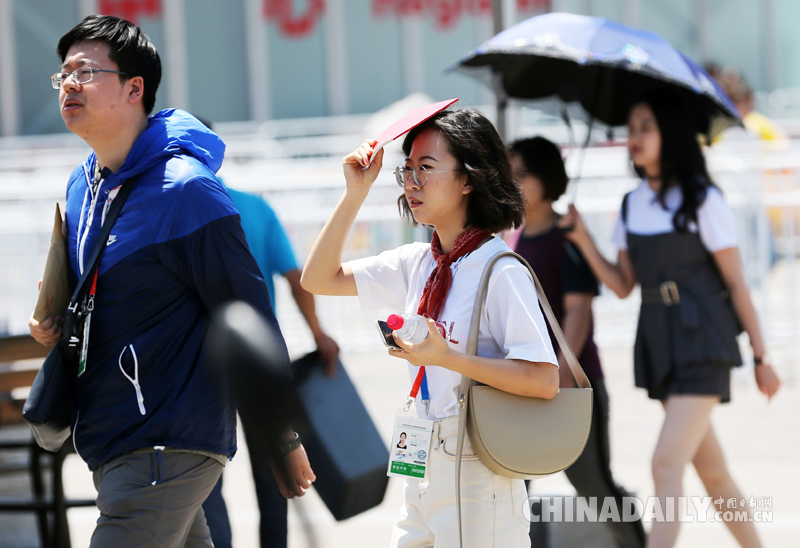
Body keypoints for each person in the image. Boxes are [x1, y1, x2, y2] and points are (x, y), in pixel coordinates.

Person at [28, 15, 315, 548]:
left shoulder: (187, 191)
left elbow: (247, 310)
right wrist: (56, 320)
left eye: (86, 72)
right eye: (63, 73)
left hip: (165, 441)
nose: (69, 83)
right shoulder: (82, 185)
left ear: (135, 87)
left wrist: (281, 435)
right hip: (113, 435)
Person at [301, 107, 559, 548]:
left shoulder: (498, 269)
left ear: (468, 179)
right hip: (418, 457)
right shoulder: (417, 263)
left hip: (478, 464)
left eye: (426, 167)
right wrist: (355, 193)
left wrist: (446, 358)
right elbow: (318, 279)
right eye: (407, 169)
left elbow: (544, 379)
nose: (411, 182)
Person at [560, 90, 781, 548]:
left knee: (664, 464)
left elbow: (737, 283)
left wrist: (761, 356)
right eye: (631, 129)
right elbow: (623, 284)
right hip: (660, 339)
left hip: (704, 340)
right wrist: (581, 238)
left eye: (646, 127)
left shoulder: (703, 200)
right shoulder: (630, 204)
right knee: (714, 474)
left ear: (671, 134)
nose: (634, 138)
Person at [506, 136, 646, 548]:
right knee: (514, 491)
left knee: (595, 489)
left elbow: (578, 312)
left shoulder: (566, 241)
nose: (512, 183)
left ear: (547, 180)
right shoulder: (509, 241)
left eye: (522, 174)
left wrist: (560, 381)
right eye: (508, 173)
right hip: (524, 388)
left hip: (573, 390)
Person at [202, 185, 340, 548]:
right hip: (258, 358)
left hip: (203, 362)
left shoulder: (180, 205)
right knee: (273, 472)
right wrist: (318, 333)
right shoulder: (255, 207)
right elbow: (296, 278)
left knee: (205, 477)